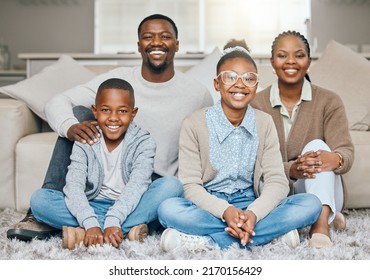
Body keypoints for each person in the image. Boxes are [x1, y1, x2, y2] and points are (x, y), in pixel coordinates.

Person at [7, 14, 213, 241]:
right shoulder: (118, 81)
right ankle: (120, 227)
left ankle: (85, 227)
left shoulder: (197, 94)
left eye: (165, 37)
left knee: (172, 188)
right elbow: (58, 101)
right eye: (148, 37)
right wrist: (70, 127)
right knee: (76, 118)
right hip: (99, 187)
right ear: (139, 45)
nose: (156, 43)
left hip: (150, 187)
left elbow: (208, 144)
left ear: (177, 45)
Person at [157, 45, 322, 252]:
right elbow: (190, 186)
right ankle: (267, 237)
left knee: (311, 204)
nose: (240, 84)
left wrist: (253, 214)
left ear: (256, 85)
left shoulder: (264, 123)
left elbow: (277, 181)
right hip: (208, 205)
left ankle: (208, 241)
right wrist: (225, 211)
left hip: (251, 203)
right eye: (230, 77)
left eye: (248, 78)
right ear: (217, 84)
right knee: (167, 209)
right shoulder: (194, 123)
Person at [250, 30, 354, 248]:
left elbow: (346, 151)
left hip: (320, 185)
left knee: (317, 146)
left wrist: (334, 159)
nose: (291, 61)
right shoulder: (256, 105)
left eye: (298, 55)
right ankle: (332, 217)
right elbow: (254, 163)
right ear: (272, 62)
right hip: (275, 190)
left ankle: (320, 225)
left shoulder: (329, 100)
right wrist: (291, 169)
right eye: (282, 55)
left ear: (308, 62)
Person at [30, 78, 156, 249]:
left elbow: (137, 185)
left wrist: (114, 218)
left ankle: (85, 233)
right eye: (105, 110)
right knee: (40, 200)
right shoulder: (86, 138)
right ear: (95, 111)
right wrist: (90, 222)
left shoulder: (144, 141)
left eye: (122, 111)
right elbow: (73, 185)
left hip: (129, 206)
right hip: (91, 204)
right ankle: (122, 231)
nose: (113, 118)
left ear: (133, 114)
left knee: (171, 187)